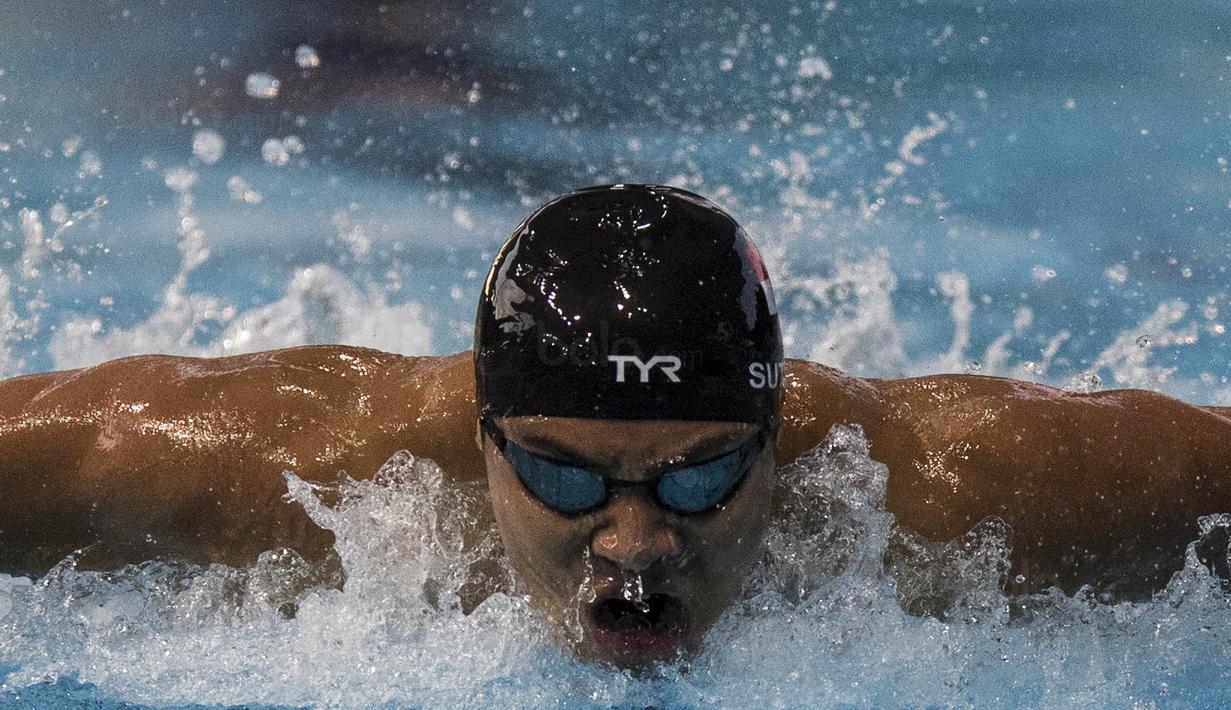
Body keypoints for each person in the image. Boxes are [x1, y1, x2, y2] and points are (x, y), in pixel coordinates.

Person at [0, 184, 1229, 666]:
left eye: (698, 479)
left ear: (776, 435)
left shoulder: (959, 493)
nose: (634, 541)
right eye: (566, 477)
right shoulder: (303, 475)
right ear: (481, 436)